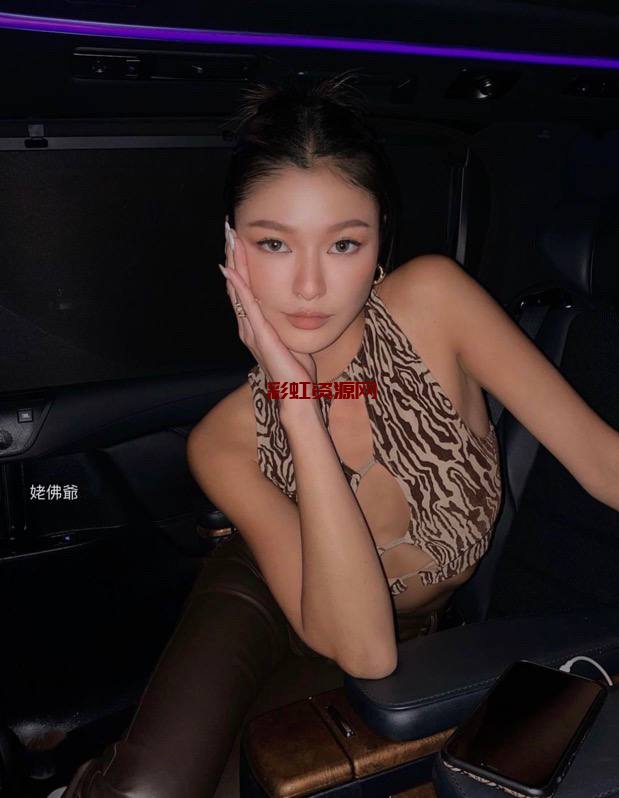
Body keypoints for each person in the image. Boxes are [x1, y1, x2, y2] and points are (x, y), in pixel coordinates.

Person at [52, 70, 504, 798]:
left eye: (343, 244)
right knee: (147, 790)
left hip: (381, 628)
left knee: (257, 785)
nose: (308, 287)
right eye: (273, 244)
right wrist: (295, 400)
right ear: (233, 250)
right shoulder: (222, 437)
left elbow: (367, 649)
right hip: (264, 588)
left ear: (380, 242)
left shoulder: (434, 303)